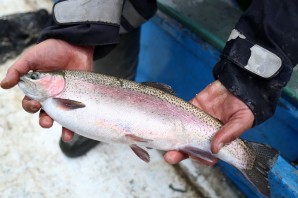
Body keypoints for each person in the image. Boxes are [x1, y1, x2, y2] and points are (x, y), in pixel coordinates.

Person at [1, 0, 297, 166]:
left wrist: (250, 78)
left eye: (36, 76)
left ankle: (249, 158)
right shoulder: (61, 93)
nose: (30, 78)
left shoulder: (62, 96)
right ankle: (94, 131)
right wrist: (76, 32)